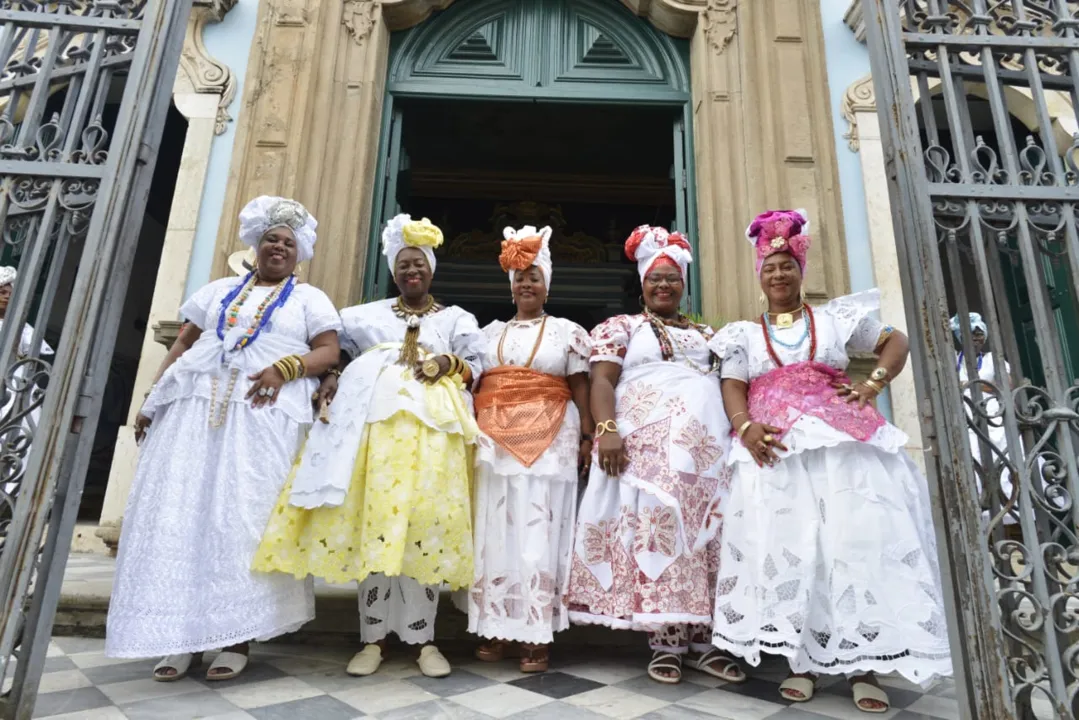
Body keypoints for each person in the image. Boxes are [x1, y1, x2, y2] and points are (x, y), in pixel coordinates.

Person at [709, 209, 952, 713]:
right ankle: (803, 663)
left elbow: (896, 342)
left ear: (801, 269)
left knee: (853, 542)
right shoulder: (744, 335)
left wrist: (872, 384)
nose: (778, 274)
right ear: (760, 273)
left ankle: (864, 667)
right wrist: (745, 426)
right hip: (777, 453)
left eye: (786, 265)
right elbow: (732, 384)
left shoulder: (836, 320)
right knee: (795, 547)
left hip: (845, 448)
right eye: (769, 266)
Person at [106, 196, 342, 682]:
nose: (279, 247)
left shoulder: (309, 300)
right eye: (272, 239)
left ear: (299, 254)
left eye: (288, 243)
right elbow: (184, 343)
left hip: (260, 426)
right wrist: (152, 398)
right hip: (193, 416)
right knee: (182, 515)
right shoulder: (215, 292)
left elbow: (328, 351)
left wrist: (285, 367)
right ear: (256, 244)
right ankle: (176, 637)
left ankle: (235, 637)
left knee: (239, 522)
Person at [253, 213, 485, 679]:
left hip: (432, 435)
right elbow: (338, 357)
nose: (411, 271)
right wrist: (333, 379)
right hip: (372, 436)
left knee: (424, 530)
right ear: (394, 271)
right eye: (403, 265)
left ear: (432, 269)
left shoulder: (457, 319)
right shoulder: (364, 317)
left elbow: (475, 369)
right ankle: (372, 638)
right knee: (376, 530)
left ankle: (424, 640)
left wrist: (446, 361)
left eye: (418, 263)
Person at [567, 225, 744, 686]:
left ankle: (705, 642)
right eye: (655, 278)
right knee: (660, 530)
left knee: (708, 534)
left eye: (672, 279)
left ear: (684, 284)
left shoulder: (709, 334)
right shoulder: (624, 328)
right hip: (648, 447)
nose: (663, 285)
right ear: (642, 282)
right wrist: (606, 430)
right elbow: (602, 381)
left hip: (706, 452)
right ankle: (666, 640)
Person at [467, 226, 593, 673]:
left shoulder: (567, 332)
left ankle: (535, 633)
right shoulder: (487, 334)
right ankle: (495, 625)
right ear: (510, 284)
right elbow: (472, 382)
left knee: (540, 530)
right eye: (519, 275)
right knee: (496, 530)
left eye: (534, 275)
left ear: (547, 284)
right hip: (495, 437)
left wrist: (588, 437)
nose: (526, 283)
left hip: (552, 434)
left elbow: (581, 386)